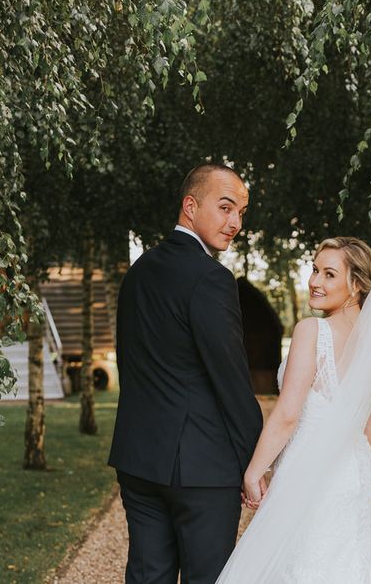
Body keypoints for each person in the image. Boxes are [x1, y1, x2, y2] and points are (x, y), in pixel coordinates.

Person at [108, 164, 263, 584]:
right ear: (190, 206)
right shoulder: (211, 278)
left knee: (147, 576)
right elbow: (231, 379)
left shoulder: (137, 274)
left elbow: (132, 364)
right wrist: (259, 459)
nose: (235, 223)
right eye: (226, 207)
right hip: (202, 468)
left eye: (242, 213)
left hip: (139, 459)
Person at [217, 237, 371, 584]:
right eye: (314, 270)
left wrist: (254, 472)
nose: (314, 281)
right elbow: (368, 431)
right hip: (356, 479)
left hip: (311, 478)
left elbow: (287, 415)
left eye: (328, 274)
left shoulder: (312, 331)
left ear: (355, 285)